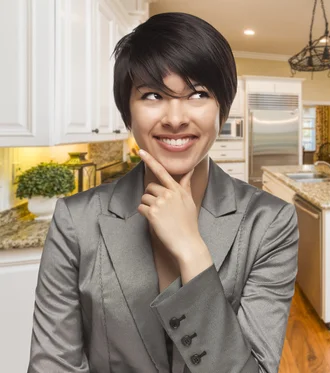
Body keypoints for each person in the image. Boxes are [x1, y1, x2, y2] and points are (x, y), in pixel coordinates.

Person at [28, 12, 299, 373]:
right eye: (153, 94)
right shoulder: (75, 221)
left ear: (222, 108)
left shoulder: (270, 222)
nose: (175, 118)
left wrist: (191, 249)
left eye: (198, 94)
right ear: (128, 110)